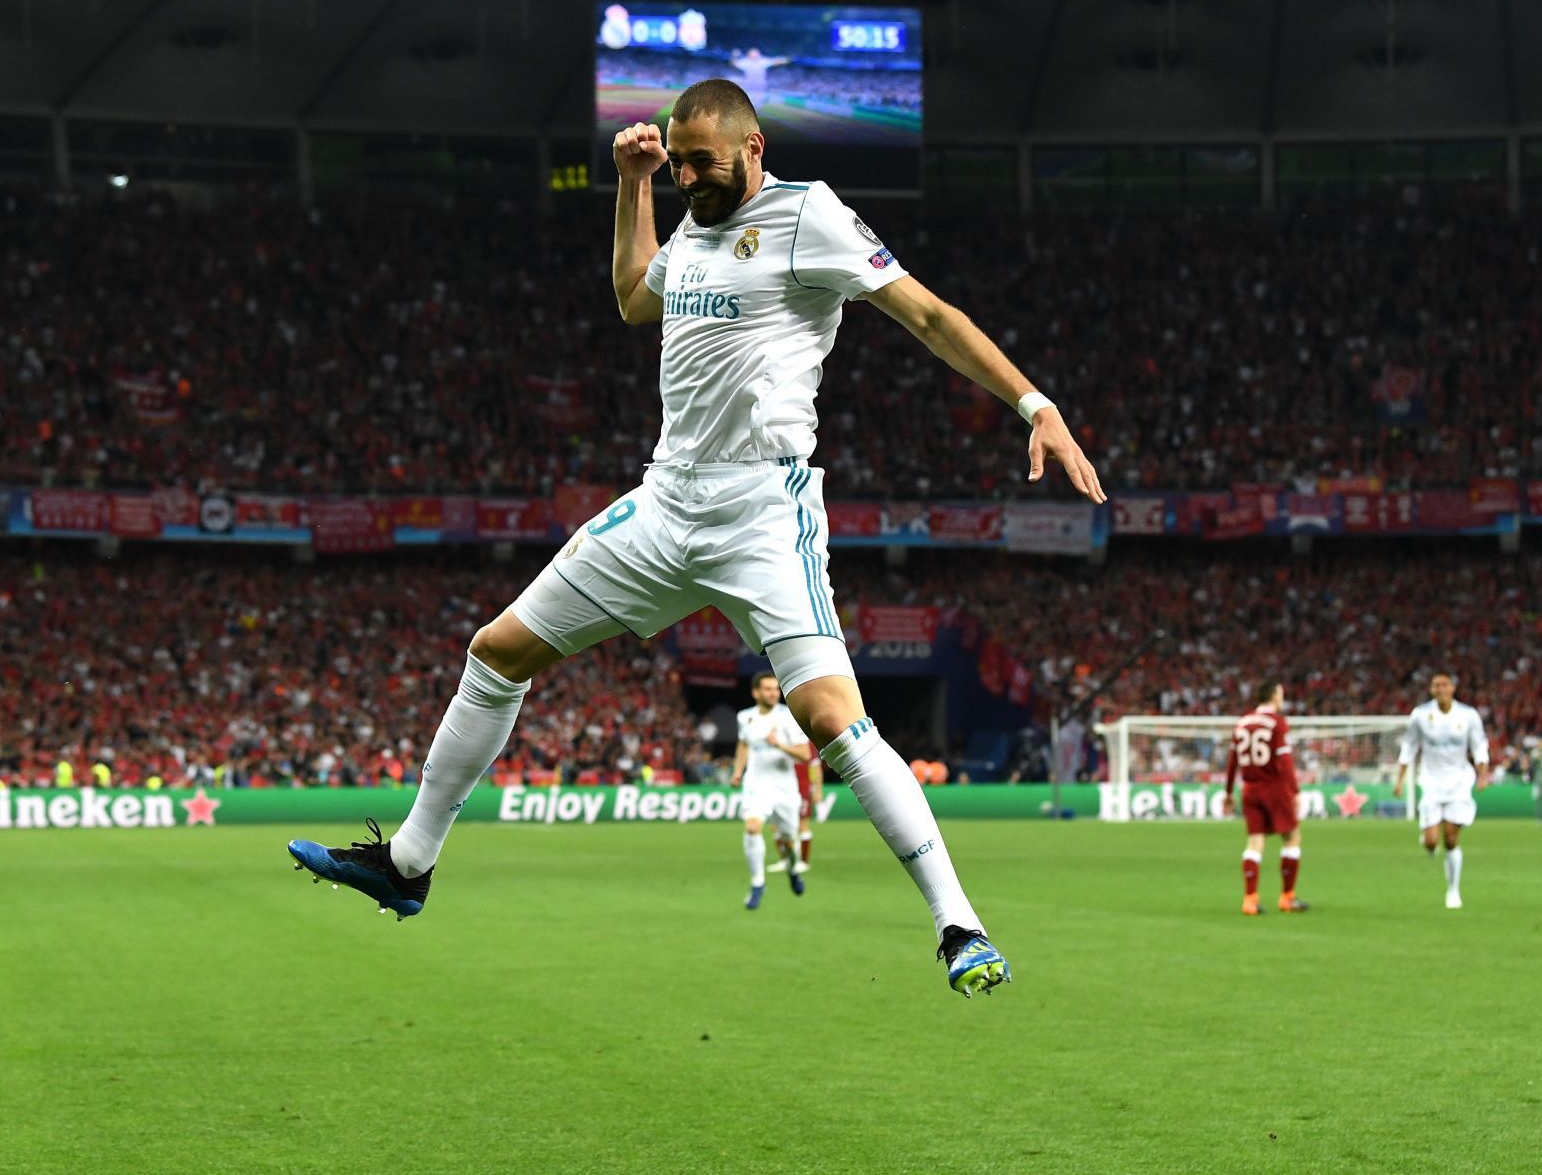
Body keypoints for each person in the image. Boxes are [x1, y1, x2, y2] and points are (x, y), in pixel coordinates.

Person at [286, 77, 1105, 997]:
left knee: (830, 716)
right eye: (676, 162)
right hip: (665, 502)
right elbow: (638, 300)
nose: (688, 177)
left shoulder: (811, 217)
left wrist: (1036, 406)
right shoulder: (689, 220)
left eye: (699, 163)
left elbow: (928, 316)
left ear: (753, 147)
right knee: (497, 649)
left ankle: (960, 924)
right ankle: (409, 861)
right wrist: (634, 187)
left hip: (763, 509)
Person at [1391, 672, 1490, 910]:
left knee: (1452, 838)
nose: (1440, 688)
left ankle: (1453, 891)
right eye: (1436, 685)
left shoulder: (1468, 715)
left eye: (1445, 684)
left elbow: (1479, 746)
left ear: (1453, 688)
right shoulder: (1421, 715)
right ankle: (1428, 841)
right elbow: (1409, 747)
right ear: (1432, 689)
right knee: (1431, 841)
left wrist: (1483, 774)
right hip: (1432, 782)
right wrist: (1400, 780)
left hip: (1458, 782)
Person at [1222, 681, 1307, 915]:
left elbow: (1232, 762)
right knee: (1291, 838)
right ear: (1273, 696)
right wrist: (1296, 791)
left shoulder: (1242, 723)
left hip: (1249, 789)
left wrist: (1228, 792)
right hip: (1274, 787)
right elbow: (1286, 760)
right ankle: (1287, 898)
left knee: (1254, 843)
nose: (1283, 698)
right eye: (1281, 694)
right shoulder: (1277, 723)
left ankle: (1250, 900)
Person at [732, 672, 812, 909]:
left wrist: (779, 744)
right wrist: (738, 771)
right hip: (756, 785)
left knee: (788, 841)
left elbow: (805, 754)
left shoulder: (789, 717)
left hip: (784, 788)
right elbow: (743, 745)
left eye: (775, 689)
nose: (773, 693)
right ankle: (758, 883)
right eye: (767, 689)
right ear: (756, 692)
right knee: (752, 826)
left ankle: (793, 870)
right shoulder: (744, 717)